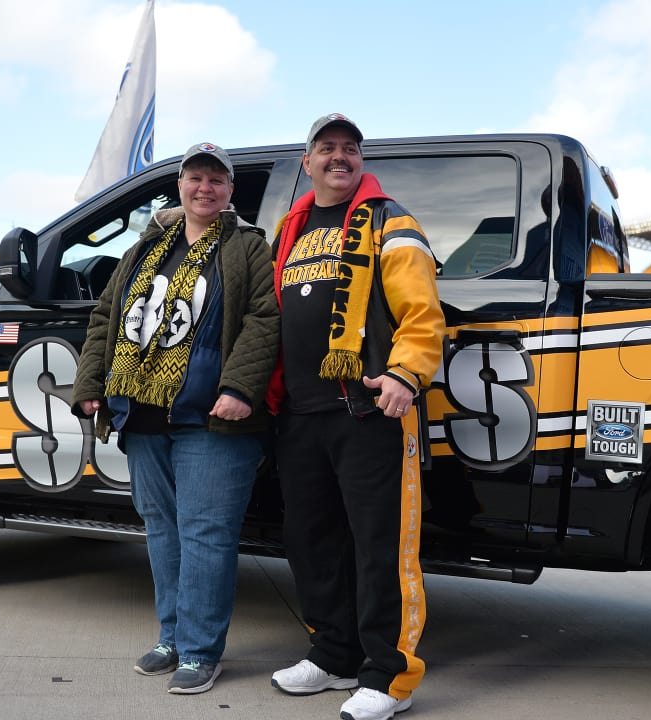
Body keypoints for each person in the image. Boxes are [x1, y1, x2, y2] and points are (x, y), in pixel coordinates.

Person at [72, 142, 279, 695]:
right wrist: (91, 385)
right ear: (180, 185)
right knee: (162, 530)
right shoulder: (147, 248)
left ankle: (200, 650)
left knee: (206, 533)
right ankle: (171, 636)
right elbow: (105, 319)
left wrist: (240, 388)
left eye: (217, 180)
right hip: (142, 412)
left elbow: (265, 320)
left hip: (213, 417)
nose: (205, 188)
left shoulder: (247, 248)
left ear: (230, 190)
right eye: (195, 178)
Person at [267, 114, 445, 720]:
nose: (338, 157)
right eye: (327, 148)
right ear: (306, 162)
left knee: (381, 549)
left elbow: (422, 313)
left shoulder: (390, 221)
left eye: (349, 149)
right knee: (312, 542)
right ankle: (334, 654)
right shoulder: (289, 229)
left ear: (361, 160)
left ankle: (390, 677)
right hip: (301, 415)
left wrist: (404, 374)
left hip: (368, 410)